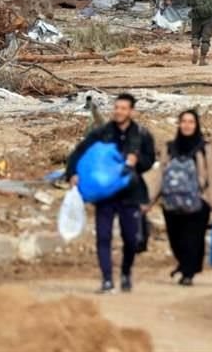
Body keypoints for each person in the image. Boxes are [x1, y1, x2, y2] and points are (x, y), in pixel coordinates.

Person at [66, 93, 156, 293]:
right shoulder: (102, 133)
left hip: (131, 192)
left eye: (123, 108)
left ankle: (125, 272)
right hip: (105, 193)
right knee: (103, 236)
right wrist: (72, 173)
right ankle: (107, 279)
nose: (118, 111)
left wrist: (136, 162)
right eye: (116, 108)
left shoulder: (141, 134)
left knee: (131, 238)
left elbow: (150, 160)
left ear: (131, 111)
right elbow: (79, 152)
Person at [148, 110, 212, 286]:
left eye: (191, 122)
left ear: (196, 125)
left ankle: (188, 273)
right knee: (176, 239)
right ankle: (185, 265)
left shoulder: (205, 149)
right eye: (184, 121)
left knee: (193, 239)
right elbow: (161, 175)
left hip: (198, 202)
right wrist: (149, 201)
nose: (187, 125)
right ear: (179, 124)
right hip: (172, 203)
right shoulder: (170, 148)